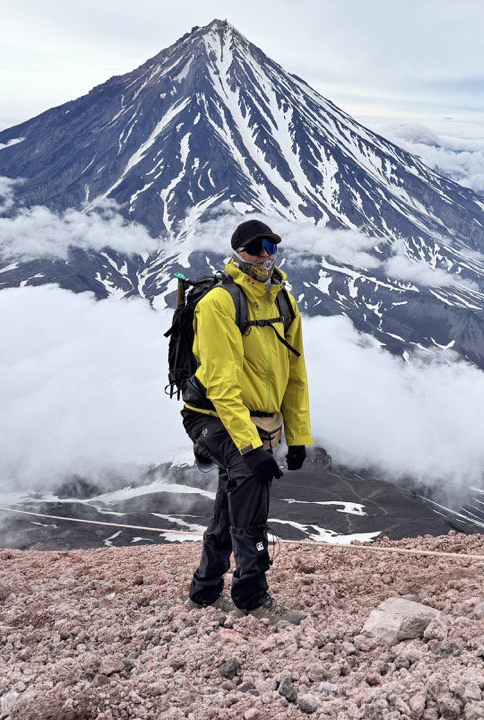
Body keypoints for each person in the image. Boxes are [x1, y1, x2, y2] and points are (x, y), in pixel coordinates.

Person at [181, 219, 312, 625]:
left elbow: (296, 375)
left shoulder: (283, 302)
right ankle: (251, 596)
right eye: (256, 247)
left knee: (232, 496)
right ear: (239, 252)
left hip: (260, 420)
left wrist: (298, 436)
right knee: (249, 483)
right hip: (212, 417)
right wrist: (252, 448)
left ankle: (204, 591)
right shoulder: (219, 303)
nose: (266, 255)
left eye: (271, 245)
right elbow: (220, 384)